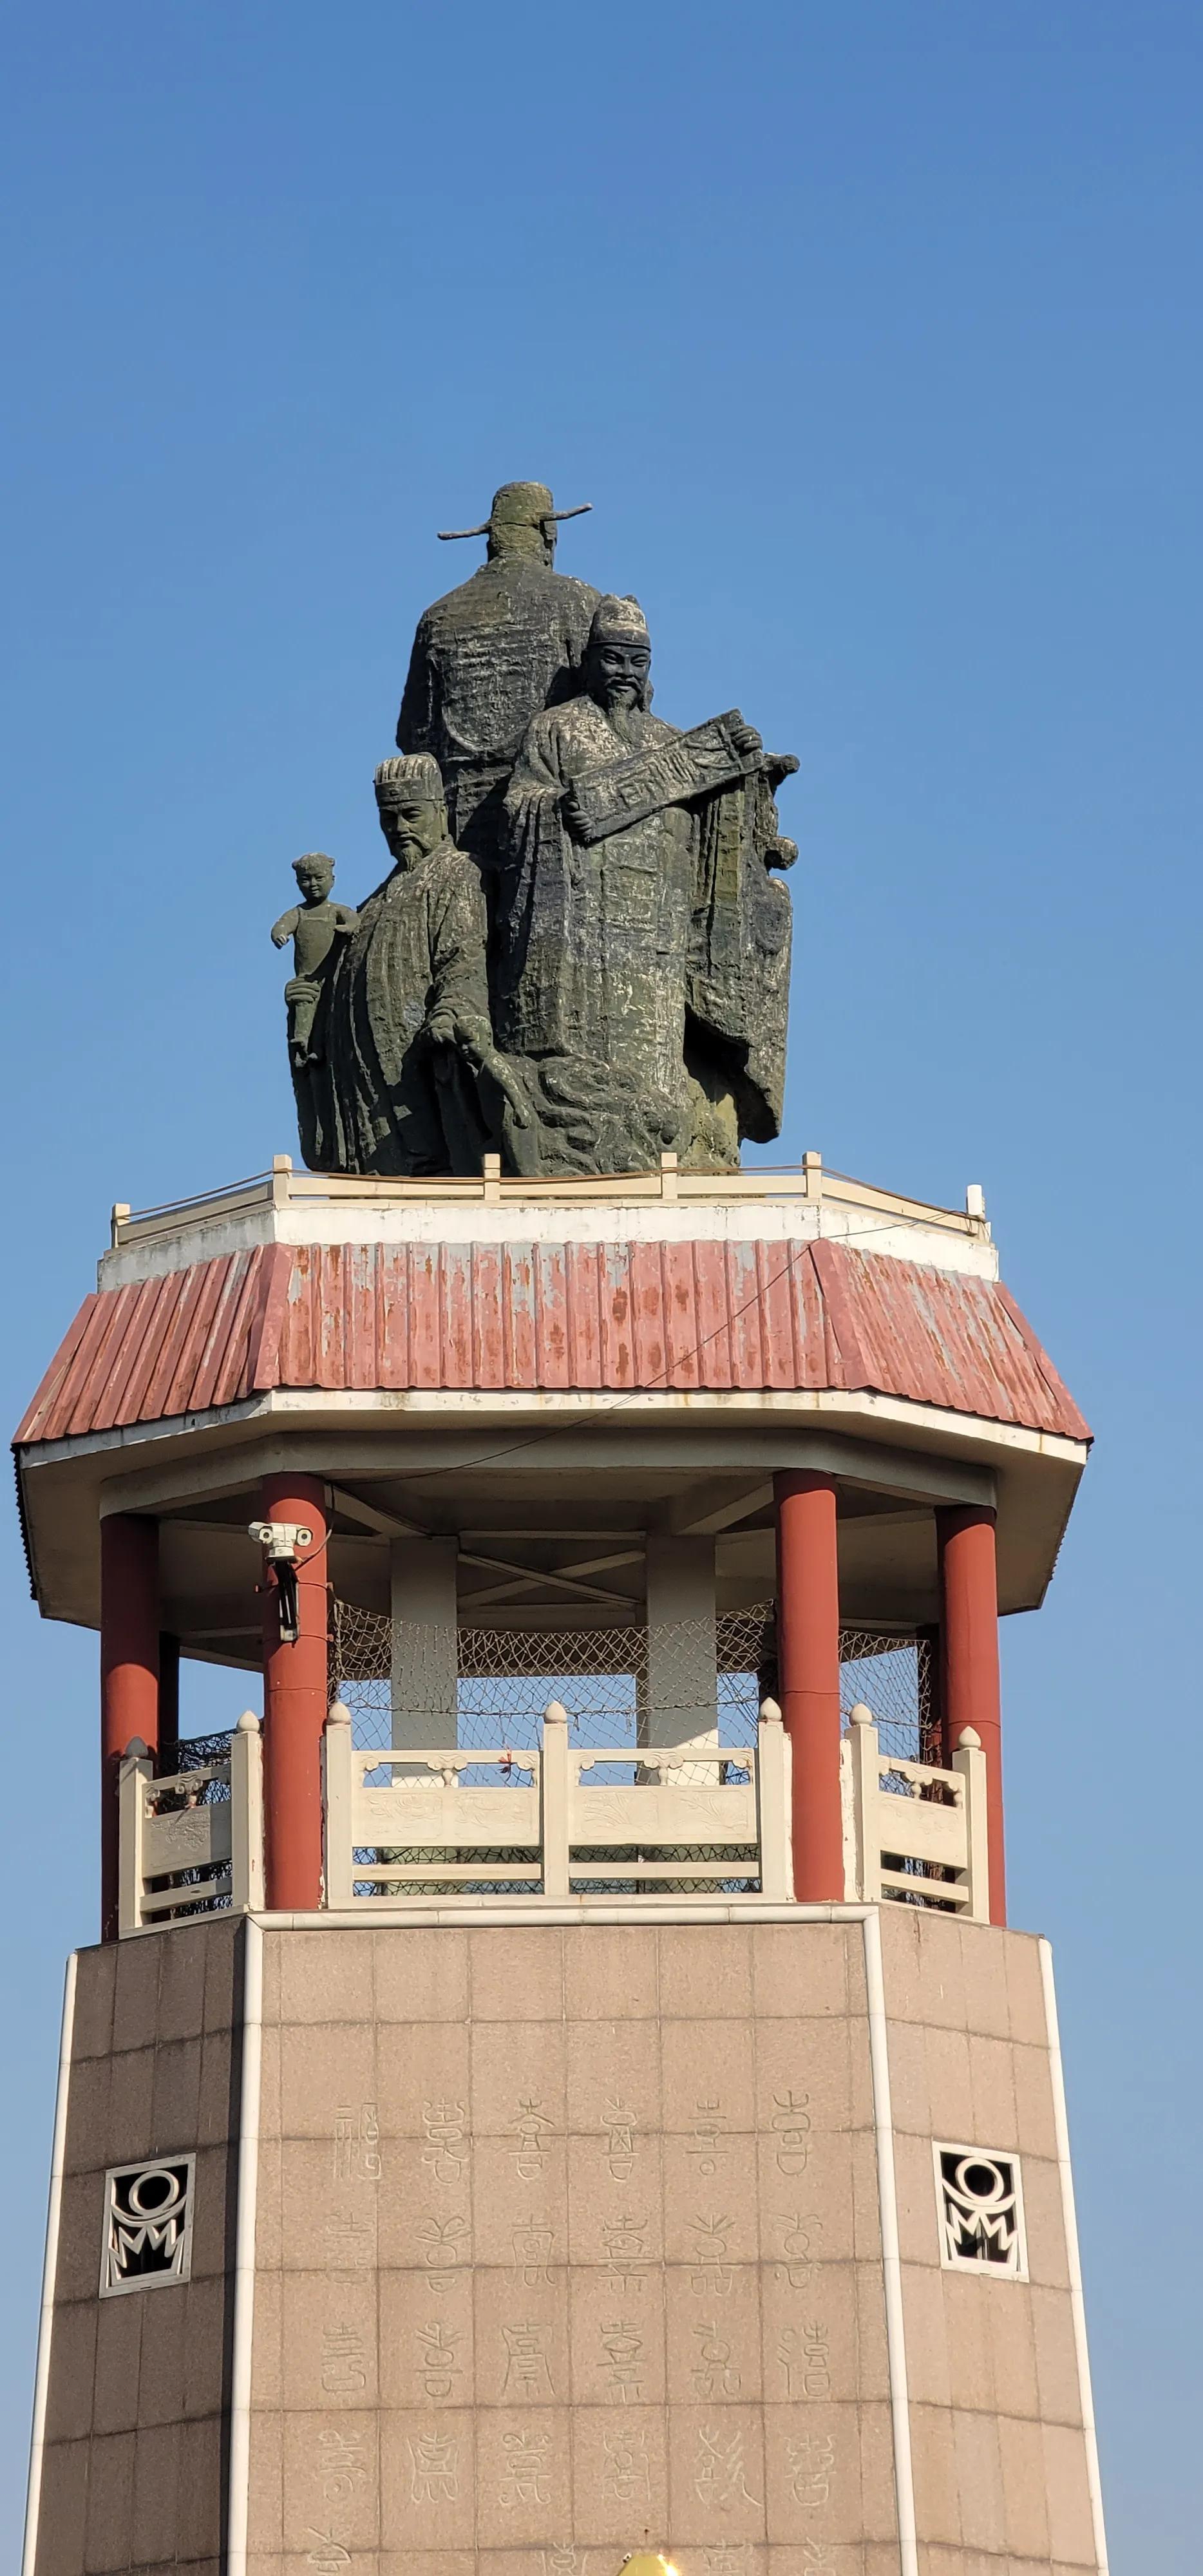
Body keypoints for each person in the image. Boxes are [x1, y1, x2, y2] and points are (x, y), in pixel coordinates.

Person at [497, 594, 793, 1172]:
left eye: (637, 662)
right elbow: (520, 806)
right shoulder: (558, 730)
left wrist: (749, 779)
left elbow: (714, 825)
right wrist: (563, 808)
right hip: (585, 916)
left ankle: (662, 1145)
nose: (625, 674)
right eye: (613, 659)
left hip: (658, 922)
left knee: (654, 1049)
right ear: (591, 661)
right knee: (585, 1049)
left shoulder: (669, 741)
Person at [314, 755, 520, 1177]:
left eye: (411, 814)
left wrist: (452, 1010)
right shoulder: (369, 905)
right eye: (389, 819)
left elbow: (467, 957)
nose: (400, 828)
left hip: (422, 1067)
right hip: (364, 1078)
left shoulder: (459, 875)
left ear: (440, 812)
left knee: (430, 1171)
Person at [396, 481, 600, 867]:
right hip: (550, 814)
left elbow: (413, 733)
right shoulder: (580, 602)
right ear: (549, 535)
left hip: (458, 819)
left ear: (490, 539)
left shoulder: (438, 616)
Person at [270, 853, 357, 1068]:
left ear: (332, 880)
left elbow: (354, 921)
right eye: (305, 880)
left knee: (327, 1010)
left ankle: (318, 1048)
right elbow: (281, 926)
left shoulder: (336, 910)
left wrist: (347, 928)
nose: (313, 885)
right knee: (304, 1002)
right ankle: (302, 1041)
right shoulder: (298, 913)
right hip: (307, 977)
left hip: (331, 976)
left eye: (319, 878)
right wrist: (280, 934)